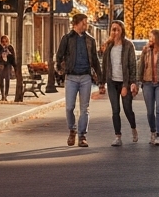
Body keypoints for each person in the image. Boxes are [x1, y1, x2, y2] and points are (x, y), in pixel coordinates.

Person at [55, 13, 102, 147]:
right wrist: (62, 69)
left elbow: (95, 60)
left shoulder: (90, 40)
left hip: (86, 77)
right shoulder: (67, 38)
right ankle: (72, 130)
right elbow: (59, 57)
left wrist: (100, 78)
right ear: (77, 23)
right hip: (71, 77)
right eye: (84, 23)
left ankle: (82, 136)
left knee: (84, 108)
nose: (86, 25)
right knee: (69, 107)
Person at [100, 20, 139, 146]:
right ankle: (118, 136)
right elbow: (105, 65)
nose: (115, 32)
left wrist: (132, 83)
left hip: (125, 82)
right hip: (112, 82)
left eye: (117, 29)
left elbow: (133, 66)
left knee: (127, 109)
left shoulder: (128, 45)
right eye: (113, 29)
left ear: (122, 31)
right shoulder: (108, 46)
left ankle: (133, 128)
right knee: (115, 110)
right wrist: (101, 83)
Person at [0, 34, 18, 101]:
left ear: (8, 41)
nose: (4, 43)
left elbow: (13, 58)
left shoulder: (10, 48)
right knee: (1, 81)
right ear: (1, 42)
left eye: (6, 41)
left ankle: (6, 95)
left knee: (7, 80)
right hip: (0, 66)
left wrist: (14, 67)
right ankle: (2, 95)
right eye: (3, 41)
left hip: (8, 66)